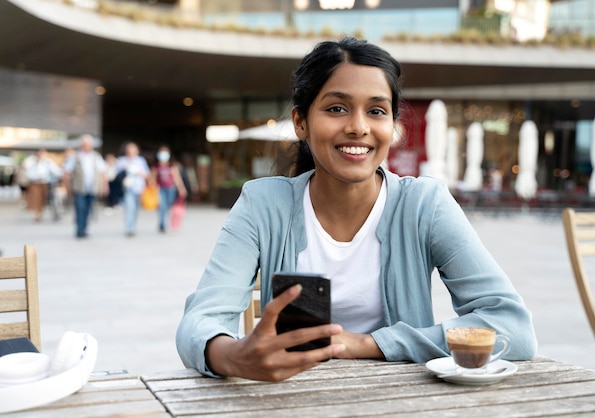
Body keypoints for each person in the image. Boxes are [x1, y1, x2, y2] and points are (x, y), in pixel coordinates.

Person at [176, 37, 537, 382]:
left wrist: (367, 344)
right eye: (336, 108)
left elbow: (514, 329)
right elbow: (200, 321)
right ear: (301, 122)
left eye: (376, 111)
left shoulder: (424, 205)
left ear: (393, 127)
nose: (358, 127)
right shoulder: (262, 205)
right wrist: (231, 356)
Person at [63, 134, 108, 238]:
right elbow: (67, 173)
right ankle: (79, 230)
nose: (87, 146)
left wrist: (105, 186)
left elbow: (102, 173)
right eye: (85, 144)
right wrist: (67, 187)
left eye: (88, 144)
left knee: (88, 209)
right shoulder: (74, 157)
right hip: (79, 188)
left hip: (92, 187)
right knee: (80, 208)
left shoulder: (96, 156)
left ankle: (84, 228)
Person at [150, 145, 187, 233]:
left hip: (171, 189)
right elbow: (152, 179)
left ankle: (164, 221)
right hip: (160, 189)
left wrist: (182, 189)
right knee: (162, 206)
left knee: (167, 206)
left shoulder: (172, 166)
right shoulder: (156, 166)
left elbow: (177, 178)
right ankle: (163, 224)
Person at [116, 142, 149, 237]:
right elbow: (116, 174)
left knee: (135, 209)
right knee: (129, 208)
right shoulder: (122, 160)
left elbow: (146, 174)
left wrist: (137, 172)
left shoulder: (141, 161)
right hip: (127, 188)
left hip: (139, 188)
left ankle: (133, 226)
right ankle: (129, 228)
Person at [25, 149, 62, 221]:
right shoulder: (33, 163)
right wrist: (36, 177)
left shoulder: (48, 162)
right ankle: (37, 214)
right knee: (36, 199)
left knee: (44, 199)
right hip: (35, 183)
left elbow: (56, 171)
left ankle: (41, 212)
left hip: (45, 183)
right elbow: (29, 173)